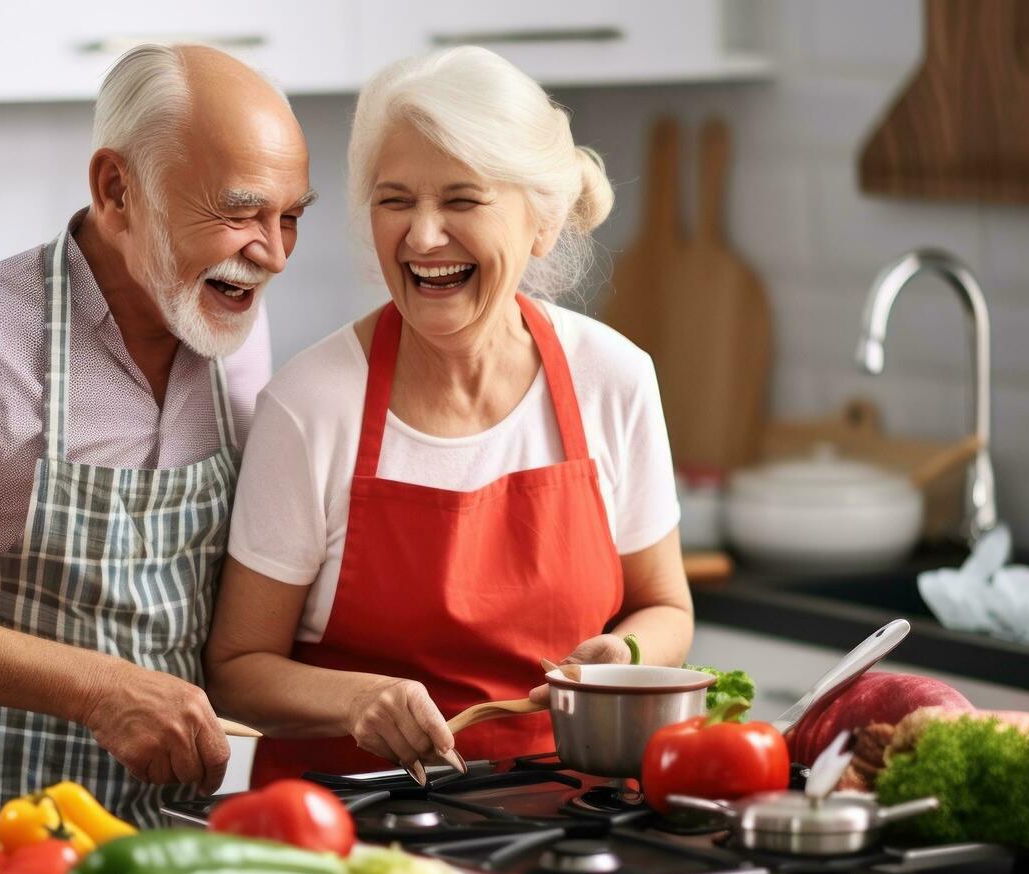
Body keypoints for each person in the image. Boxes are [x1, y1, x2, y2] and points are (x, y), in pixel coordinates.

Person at [0, 43, 316, 826]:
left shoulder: (229, 325)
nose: (271, 254)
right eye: (238, 213)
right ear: (117, 191)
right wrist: (99, 689)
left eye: (290, 219)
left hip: (167, 842)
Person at [205, 47, 692, 785]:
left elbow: (665, 608)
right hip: (353, 828)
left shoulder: (614, 379)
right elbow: (237, 670)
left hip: (574, 814)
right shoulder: (310, 406)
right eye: (395, 200)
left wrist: (624, 655)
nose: (424, 236)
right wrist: (356, 701)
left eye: (461, 200)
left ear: (541, 224)